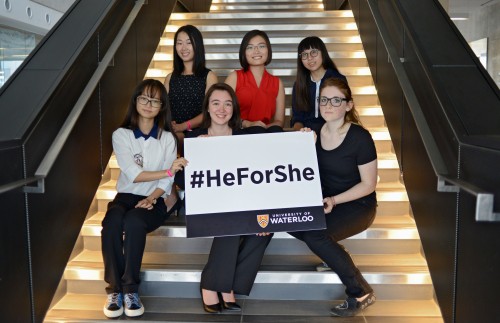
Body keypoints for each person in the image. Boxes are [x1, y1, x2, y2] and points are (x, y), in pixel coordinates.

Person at [176, 83, 272, 313]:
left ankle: (228, 283)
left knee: (267, 225)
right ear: (207, 108)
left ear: (234, 109)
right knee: (232, 219)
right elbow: (181, 182)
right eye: (216, 103)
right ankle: (213, 284)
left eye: (228, 104)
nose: (222, 109)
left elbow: (268, 164)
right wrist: (190, 161)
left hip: (241, 200)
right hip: (208, 206)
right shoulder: (195, 139)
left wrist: (305, 135)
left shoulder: (245, 136)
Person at [289, 77, 378, 317]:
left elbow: (368, 185)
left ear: (348, 105)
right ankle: (336, 253)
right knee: (289, 220)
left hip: (357, 204)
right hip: (326, 201)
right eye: (324, 100)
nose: (328, 105)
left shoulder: (360, 137)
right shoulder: (314, 132)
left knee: (315, 234)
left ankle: (360, 291)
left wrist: (335, 200)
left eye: (336, 100)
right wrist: (305, 144)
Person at [101, 79, 187, 318]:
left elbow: (165, 184)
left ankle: (130, 289)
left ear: (162, 106)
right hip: (125, 196)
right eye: (144, 98)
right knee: (111, 223)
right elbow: (133, 174)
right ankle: (114, 290)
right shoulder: (122, 135)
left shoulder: (168, 138)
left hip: (156, 199)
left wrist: (152, 197)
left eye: (155, 100)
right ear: (135, 101)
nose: (148, 105)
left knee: (135, 222)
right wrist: (170, 170)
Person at [164, 24, 218, 150]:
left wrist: (183, 126)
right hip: (174, 131)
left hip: (200, 132)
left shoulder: (209, 76)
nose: (183, 48)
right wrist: (169, 124)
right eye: (179, 43)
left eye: (189, 43)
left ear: (197, 45)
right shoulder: (170, 77)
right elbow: (163, 108)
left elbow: (210, 112)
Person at [225, 29, 285, 132]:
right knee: (256, 129)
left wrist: (264, 127)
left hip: (265, 133)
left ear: (268, 50)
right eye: (250, 47)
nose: (256, 51)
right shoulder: (234, 77)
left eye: (261, 46)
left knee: (276, 129)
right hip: (239, 131)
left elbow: (279, 121)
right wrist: (247, 124)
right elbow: (223, 112)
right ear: (244, 52)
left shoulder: (277, 83)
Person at [291, 36, 348, 132]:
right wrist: (301, 132)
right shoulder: (298, 85)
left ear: (323, 53)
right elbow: (297, 118)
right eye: (304, 54)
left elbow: (343, 114)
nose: (309, 58)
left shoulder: (338, 79)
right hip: (307, 133)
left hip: (333, 131)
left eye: (314, 52)